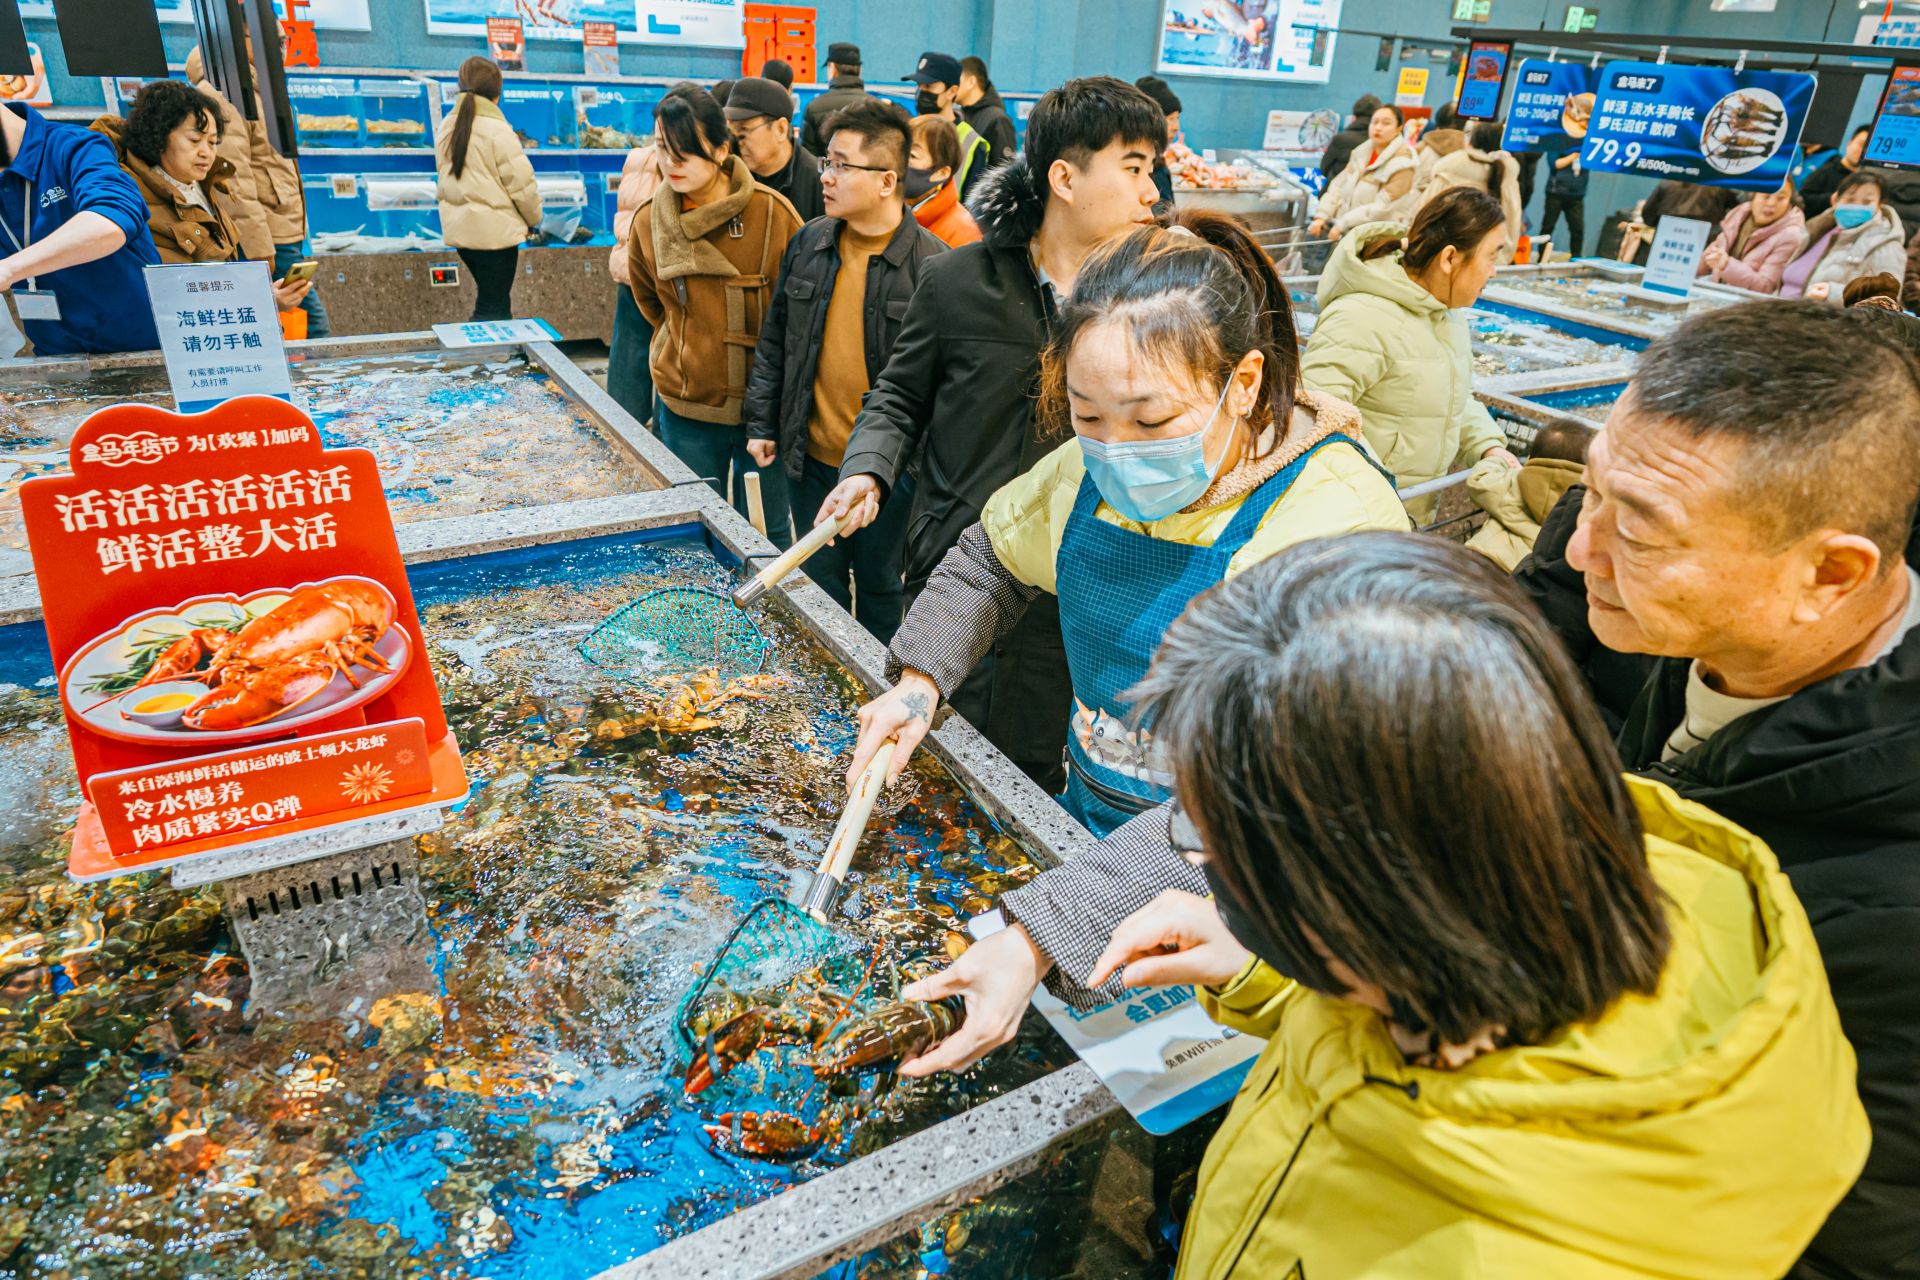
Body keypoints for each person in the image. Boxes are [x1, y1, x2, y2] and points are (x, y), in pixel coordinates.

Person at [955, 533, 1864, 1279]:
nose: (1200, 865)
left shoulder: (1508, 1251)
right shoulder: (1528, 892)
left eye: (1214, 846)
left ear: (1369, 891)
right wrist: (1267, 966)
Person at [1513, 301, 1920, 1280]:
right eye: (1590, 493)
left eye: (1640, 531)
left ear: (1830, 574)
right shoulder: (1714, 640)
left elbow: (1849, 1238)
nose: (1582, 550)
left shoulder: (1890, 914)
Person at [840, 212, 1406, 836]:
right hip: (1085, 821)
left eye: (1151, 422)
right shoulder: (1080, 473)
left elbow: (1335, 784)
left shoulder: (1340, 522)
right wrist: (919, 683)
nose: (1115, 449)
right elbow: (990, 561)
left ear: (1243, 383)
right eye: (1087, 416)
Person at [813, 76, 1166, 794]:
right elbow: (898, 395)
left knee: (1035, 773)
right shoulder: (957, 280)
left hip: (1072, 585)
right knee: (930, 752)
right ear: (1064, 178)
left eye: (1151, 169)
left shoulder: (1150, 305)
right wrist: (868, 469)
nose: (1151, 192)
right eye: (1133, 167)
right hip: (955, 568)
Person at [743, 99, 945, 641]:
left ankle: (877, 678)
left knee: (882, 588)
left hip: (894, 476)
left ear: (887, 180)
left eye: (840, 165)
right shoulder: (809, 242)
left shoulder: (935, 267)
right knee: (818, 584)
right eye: (825, 162)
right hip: (810, 458)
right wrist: (762, 422)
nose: (825, 177)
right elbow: (776, 338)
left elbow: (939, 389)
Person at [629, 83, 803, 548]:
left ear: (723, 149)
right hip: (687, 402)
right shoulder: (649, 220)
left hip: (761, 413)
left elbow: (799, 316)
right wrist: (688, 345)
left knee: (765, 534)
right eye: (662, 148)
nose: (671, 163)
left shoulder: (773, 214)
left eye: (685, 151)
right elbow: (650, 302)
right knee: (689, 532)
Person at [1300, 186, 1519, 522]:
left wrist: (1489, 447)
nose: (1494, 271)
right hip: (1354, 522)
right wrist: (1377, 496)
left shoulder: (1447, 316)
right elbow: (1314, 417)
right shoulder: (1361, 316)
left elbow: (1453, 398)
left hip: (1407, 517)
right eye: (1491, 256)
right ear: (1449, 258)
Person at [91, 82, 310, 313]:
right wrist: (263, 301)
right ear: (158, 136)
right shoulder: (134, 199)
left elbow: (214, 281)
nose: (207, 152)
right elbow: (179, 294)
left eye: (213, 142)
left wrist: (265, 298)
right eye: (195, 140)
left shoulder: (203, 187)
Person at [184, 43, 326, 338]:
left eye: (283, 40)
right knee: (314, 328)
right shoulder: (226, 92)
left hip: (281, 230)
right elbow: (233, 182)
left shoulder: (256, 88)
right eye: (272, 37)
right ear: (242, 35)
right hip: (268, 236)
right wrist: (259, 249)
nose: (281, 47)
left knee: (295, 327)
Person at [0, 98, 162, 355]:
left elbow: (111, 220)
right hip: (59, 362)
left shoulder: (74, 146)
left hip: (148, 352)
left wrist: (9, 269)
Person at [434, 56, 537, 323]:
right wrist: (534, 220)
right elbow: (522, 184)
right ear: (497, 93)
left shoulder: (446, 125)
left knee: (495, 302)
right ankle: (483, 350)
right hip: (496, 237)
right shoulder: (497, 129)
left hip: (462, 235)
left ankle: (499, 349)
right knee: (492, 308)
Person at [1463, 415, 1590, 571]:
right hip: (1525, 575)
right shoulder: (1584, 502)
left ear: (1531, 456)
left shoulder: (1513, 480)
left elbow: (1479, 479)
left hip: (1482, 559)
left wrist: (1500, 460)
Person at [1781, 169, 1906, 302]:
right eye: (1850, 199)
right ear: (1835, 199)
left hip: (1822, 314)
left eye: (1867, 202)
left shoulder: (1886, 245)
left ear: (1880, 205)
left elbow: (1887, 298)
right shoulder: (1816, 230)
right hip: (1782, 308)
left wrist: (1833, 293)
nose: (1857, 206)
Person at [606, 136, 663, 424]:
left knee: (629, 349)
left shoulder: (637, 156)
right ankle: (662, 433)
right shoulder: (679, 160)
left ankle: (624, 423)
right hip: (659, 267)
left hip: (630, 262)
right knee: (668, 350)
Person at [1416, 119, 1522, 261]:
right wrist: (1498, 261)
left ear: (1470, 143)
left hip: (1440, 259)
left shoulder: (1448, 171)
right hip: (1486, 264)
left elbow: (1421, 216)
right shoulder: (1507, 179)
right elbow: (1511, 228)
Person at [1308, 103, 1414, 241]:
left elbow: (1383, 207)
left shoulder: (1404, 164)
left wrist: (1343, 224)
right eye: (1374, 122)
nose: (1378, 127)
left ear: (1399, 128)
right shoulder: (1360, 153)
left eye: (1386, 123)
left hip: (1374, 239)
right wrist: (1322, 215)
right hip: (1346, 234)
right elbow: (1338, 186)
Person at [723, 76, 822, 222]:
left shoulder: (818, 184)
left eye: (743, 131)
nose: (737, 142)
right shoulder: (729, 175)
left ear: (781, 129)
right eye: (731, 132)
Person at [1697, 174, 1804, 294]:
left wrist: (1726, 265)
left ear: (1790, 202)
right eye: (1766, 196)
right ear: (1753, 196)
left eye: (1781, 198)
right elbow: (1708, 260)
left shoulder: (1790, 236)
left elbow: (1766, 287)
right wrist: (1701, 262)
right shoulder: (1737, 215)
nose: (1771, 203)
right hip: (1717, 292)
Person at [908, 51, 991, 203]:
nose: (921, 92)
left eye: (929, 86)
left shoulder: (972, 143)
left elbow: (972, 208)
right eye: (918, 86)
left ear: (952, 92)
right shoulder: (908, 130)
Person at [906, 113, 981, 247]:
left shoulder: (964, 234)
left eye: (912, 155)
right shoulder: (888, 209)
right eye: (900, 150)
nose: (899, 160)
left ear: (941, 173)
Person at [801, 42, 867, 156]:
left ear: (832, 68)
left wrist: (830, 165)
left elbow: (808, 156)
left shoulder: (814, 107)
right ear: (859, 71)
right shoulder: (875, 106)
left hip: (827, 167)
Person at [957, 56, 1018, 172]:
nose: (952, 85)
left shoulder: (997, 119)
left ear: (971, 82)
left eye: (956, 80)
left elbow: (1004, 172)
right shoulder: (963, 116)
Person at [1133, 75, 1181, 210]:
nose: (1176, 127)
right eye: (1170, 119)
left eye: (1177, 118)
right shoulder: (1148, 167)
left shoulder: (1158, 163)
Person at [1801, 124, 1869, 219]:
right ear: (1849, 143)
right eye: (1861, 144)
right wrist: (1830, 199)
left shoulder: (1866, 180)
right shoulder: (1826, 169)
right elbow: (1802, 197)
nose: (1863, 151)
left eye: (1869, 149)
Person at [1538, 128, 1589, 256]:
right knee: (1548, 227)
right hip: (1556, 193)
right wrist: (1573, 156)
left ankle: (1576, 259)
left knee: (1577, 230)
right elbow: (1554, 163)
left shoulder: (1588, 143)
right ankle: (1542, 257)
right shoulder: (1558, 139)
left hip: (1577, 195)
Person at [1317, 92, 1380, 186]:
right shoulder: (1381, 143)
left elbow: (1324, 168)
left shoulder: (1341, 139)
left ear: (1354, 117)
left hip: (1335, 190)